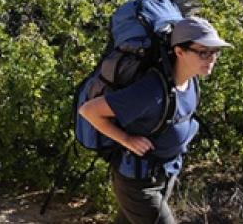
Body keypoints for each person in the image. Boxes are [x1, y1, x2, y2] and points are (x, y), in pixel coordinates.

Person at [78, 17, 230, 224]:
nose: (211, 58)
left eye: (215, 52)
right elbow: (89, 111)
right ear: (179, 51)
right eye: (203, 52)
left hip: (165, 173)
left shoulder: (190, 80)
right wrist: (126, 139)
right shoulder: (151, 91)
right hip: (138, 182)